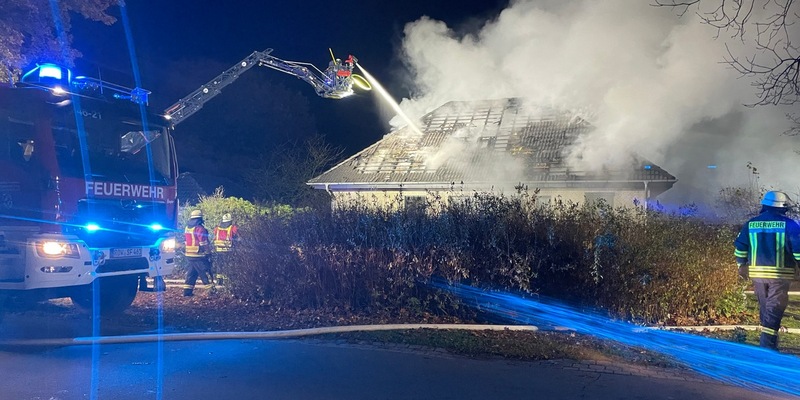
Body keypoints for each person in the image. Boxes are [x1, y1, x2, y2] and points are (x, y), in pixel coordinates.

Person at [734, 191, 800, 349]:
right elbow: (798, 250)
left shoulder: (751, 223)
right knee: (774, 312)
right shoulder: (790, 225)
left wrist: (741, 265)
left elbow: (740, 247)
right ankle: (766, 350)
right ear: (782, 208)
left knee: (767, 312)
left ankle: (770, 346)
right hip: (780, 276)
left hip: (757, 276)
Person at [183, 209, 213, 296]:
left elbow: (185, 240)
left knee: (192, 273)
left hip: (189, 254)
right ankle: (210, 291)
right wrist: (208, 252)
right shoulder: (200, 229)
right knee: (204, 272)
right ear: (200, 219)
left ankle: (187, 292)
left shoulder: (187, 228)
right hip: (198, 254)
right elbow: (203, 242)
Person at [212, 213, 238, 285]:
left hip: (219, 250)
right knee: (227, 265)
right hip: (228, 250)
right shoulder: (232, 228)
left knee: (220, 265)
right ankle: (226, 281)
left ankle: (219, 280)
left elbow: (214, 236)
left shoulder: (217, 228)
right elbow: (236, 236)